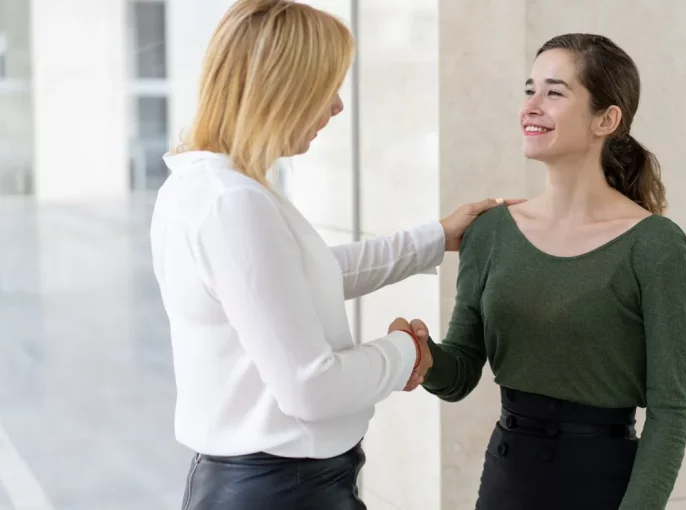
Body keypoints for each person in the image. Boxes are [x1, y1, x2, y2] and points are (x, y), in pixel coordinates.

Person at [149, 1, 521, 509]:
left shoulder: (203, 186)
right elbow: (312, 389)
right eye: (328, 87)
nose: (337, 107)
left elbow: (305, 275)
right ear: (282, 89)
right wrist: (407, 351)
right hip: (282, 492)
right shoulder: (233, 203)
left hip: (271, 486)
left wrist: (436, 236)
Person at [414, 33, 686, 510]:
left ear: (606, 119)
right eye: (529, 90)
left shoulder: (658, 248)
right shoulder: (489, 232)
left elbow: (671, 413)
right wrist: (419, 356)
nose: (532, 106)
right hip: (507, 479)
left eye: (554, 92)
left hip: (603, 487)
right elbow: (461, 373)